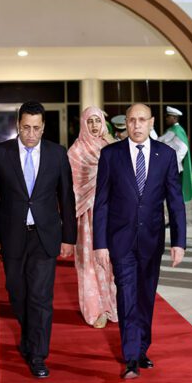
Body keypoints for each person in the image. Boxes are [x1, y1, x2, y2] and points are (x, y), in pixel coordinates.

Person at [0, 101, 77, 379]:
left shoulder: (57, 154)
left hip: (44, 236)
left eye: (36, 128)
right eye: (26, 128)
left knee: (40, 297)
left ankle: (38, 355)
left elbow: (66, 197)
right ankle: (29, 337)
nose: (31, 134)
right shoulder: (0, 153)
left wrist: (69, 237)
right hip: (12, 236)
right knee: (17, 294)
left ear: (43, 127)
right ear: (18, 125)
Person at [93, 103, 186, 379]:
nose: (136, 125)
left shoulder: (166, 155)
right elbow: (101, 202)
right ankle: (131, 357)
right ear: (127, 122)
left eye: (142, 120)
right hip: (120, 240)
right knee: (127, 295)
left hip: (152, 240)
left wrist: (179, 242)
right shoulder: (110, 155)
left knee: (146, 296)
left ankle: (142, 348)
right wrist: (100, 243)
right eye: (132, 120)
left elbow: (175, 202)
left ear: (151, 122)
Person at [67, 107, 118, 329]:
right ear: (83, 124)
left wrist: (112, 142)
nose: (95, 126)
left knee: (110, 262)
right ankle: (96, 310)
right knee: (89, 263)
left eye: (98, 121)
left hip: (111, 213)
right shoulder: (76, 151)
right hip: (87, 215)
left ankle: (111, 305)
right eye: (90, 121)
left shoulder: (111, 146)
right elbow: (70, 187)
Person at [158, 106, 192, 202]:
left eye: (168, 116)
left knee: (172, 191)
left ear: (174, 118)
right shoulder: (173, 130)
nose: (166, 118)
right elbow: (160, 142)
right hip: (169, 165)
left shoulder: (177, 130)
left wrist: (174, 162)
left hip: (172, 167)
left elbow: (183, 148)